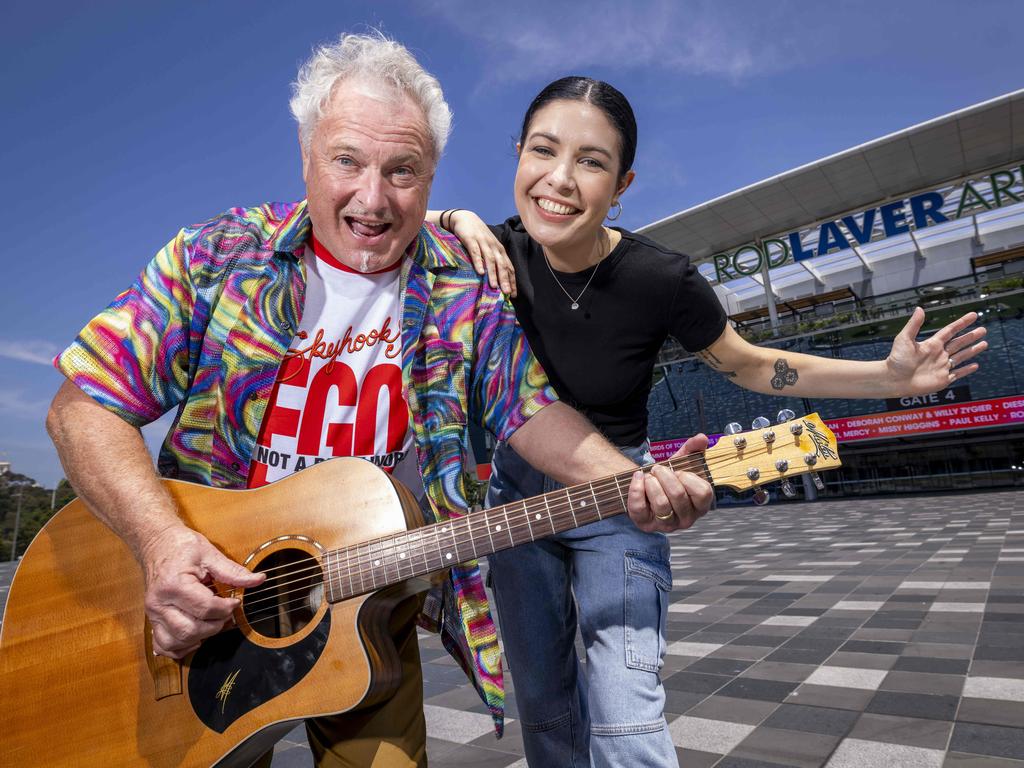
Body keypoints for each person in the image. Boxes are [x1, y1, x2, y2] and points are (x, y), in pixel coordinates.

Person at [44, 42, 716, 768]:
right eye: (346, 162)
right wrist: (161, 544)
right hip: (204, 610)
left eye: (403, 171)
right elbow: (82, 407)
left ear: (431, 177)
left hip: (370, 610)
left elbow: (530, 409)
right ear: (305, 156)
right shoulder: (216, 258)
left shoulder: (461, 289)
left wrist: (632, 480)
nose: (373, 198)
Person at [431, 76, 987, 768]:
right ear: (517, 155)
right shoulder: (486, 259)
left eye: (592, 161)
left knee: (627, 715)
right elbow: (373, 236)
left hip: (624, 496)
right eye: (544, 151)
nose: (561, 180)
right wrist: (453, 216)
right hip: (516, 502)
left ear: (623, 182)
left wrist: (887, 377)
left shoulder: (659, 279)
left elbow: (751, 366)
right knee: (545, 713)